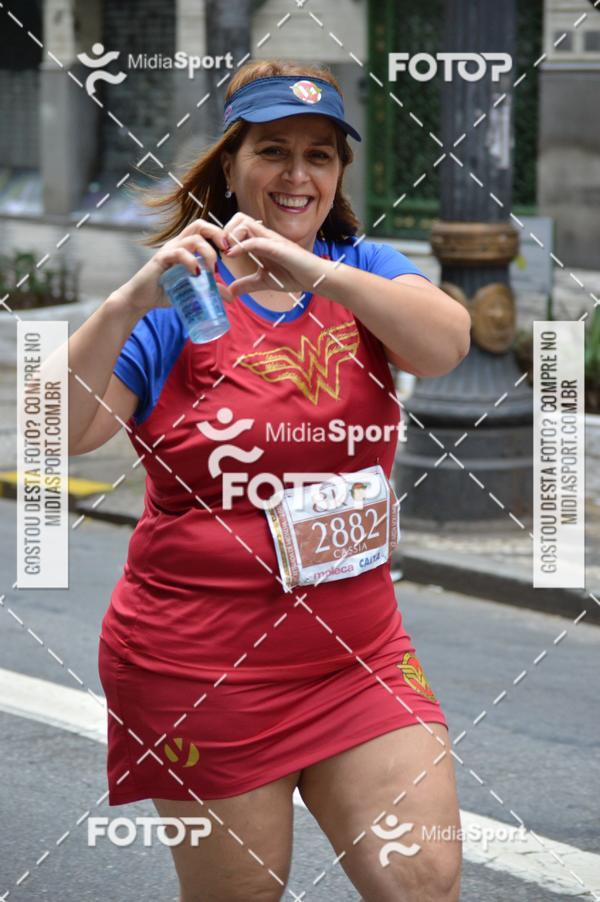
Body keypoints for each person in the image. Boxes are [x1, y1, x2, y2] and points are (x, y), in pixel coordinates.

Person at [69, 59, 471, 902]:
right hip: (201, 666)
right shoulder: (182, 298)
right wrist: (125, 305)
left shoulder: (362, 271)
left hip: (357, 655)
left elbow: (444, 346)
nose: (297, 174)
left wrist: (314, 270)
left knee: (424, 881)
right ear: (230, 164)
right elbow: (61, 433)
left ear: (338, 174)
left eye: (319, 155)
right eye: (274, 150)